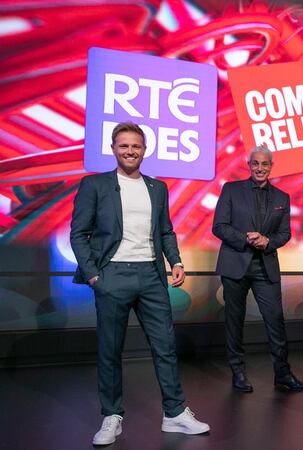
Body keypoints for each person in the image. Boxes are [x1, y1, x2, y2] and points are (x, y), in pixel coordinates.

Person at [70, 122, 209, 445]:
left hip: (150, 276)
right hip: (112, 275)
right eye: (123, 146)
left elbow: (165, 231)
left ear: (144, 150)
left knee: (165, 346)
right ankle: (111, 416)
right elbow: (79, 233)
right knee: (110, 350)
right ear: (113, 148)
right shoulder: (94, 185)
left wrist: (175, 260)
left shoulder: (156, 188)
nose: (130, 151)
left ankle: (174, 413)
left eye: (135, 146)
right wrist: (93, 274)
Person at [212, 144, 303, 393]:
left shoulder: (282, 197)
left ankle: (283, 375)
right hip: (235, 264)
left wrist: (268, 241)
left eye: (264, 164)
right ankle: (238, 372)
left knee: (275, 319)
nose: (260, 168)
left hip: (265, 266)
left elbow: (285, 233)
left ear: (271, 166)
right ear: (249, 165)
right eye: (255, 163)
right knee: (235, 321)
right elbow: (219, 226)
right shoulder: (231, 190)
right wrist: (245, 238)